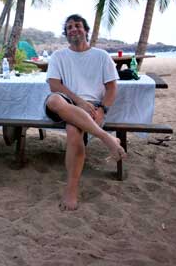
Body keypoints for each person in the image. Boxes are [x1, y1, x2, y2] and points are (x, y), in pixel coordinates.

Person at [44, 14, 127, 211]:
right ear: (66, 34)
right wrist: (79, 101)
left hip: (91, 106)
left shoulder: (101, 56)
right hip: (67, 102)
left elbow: (111, 88)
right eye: (69, 27)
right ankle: (106, 138)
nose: (74, 29)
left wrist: (103, 110)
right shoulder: (58, 56)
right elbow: (54, 85)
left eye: (78, 26)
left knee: (74, 131)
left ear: (86, 30)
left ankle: (71, 190)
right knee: (54, 99)